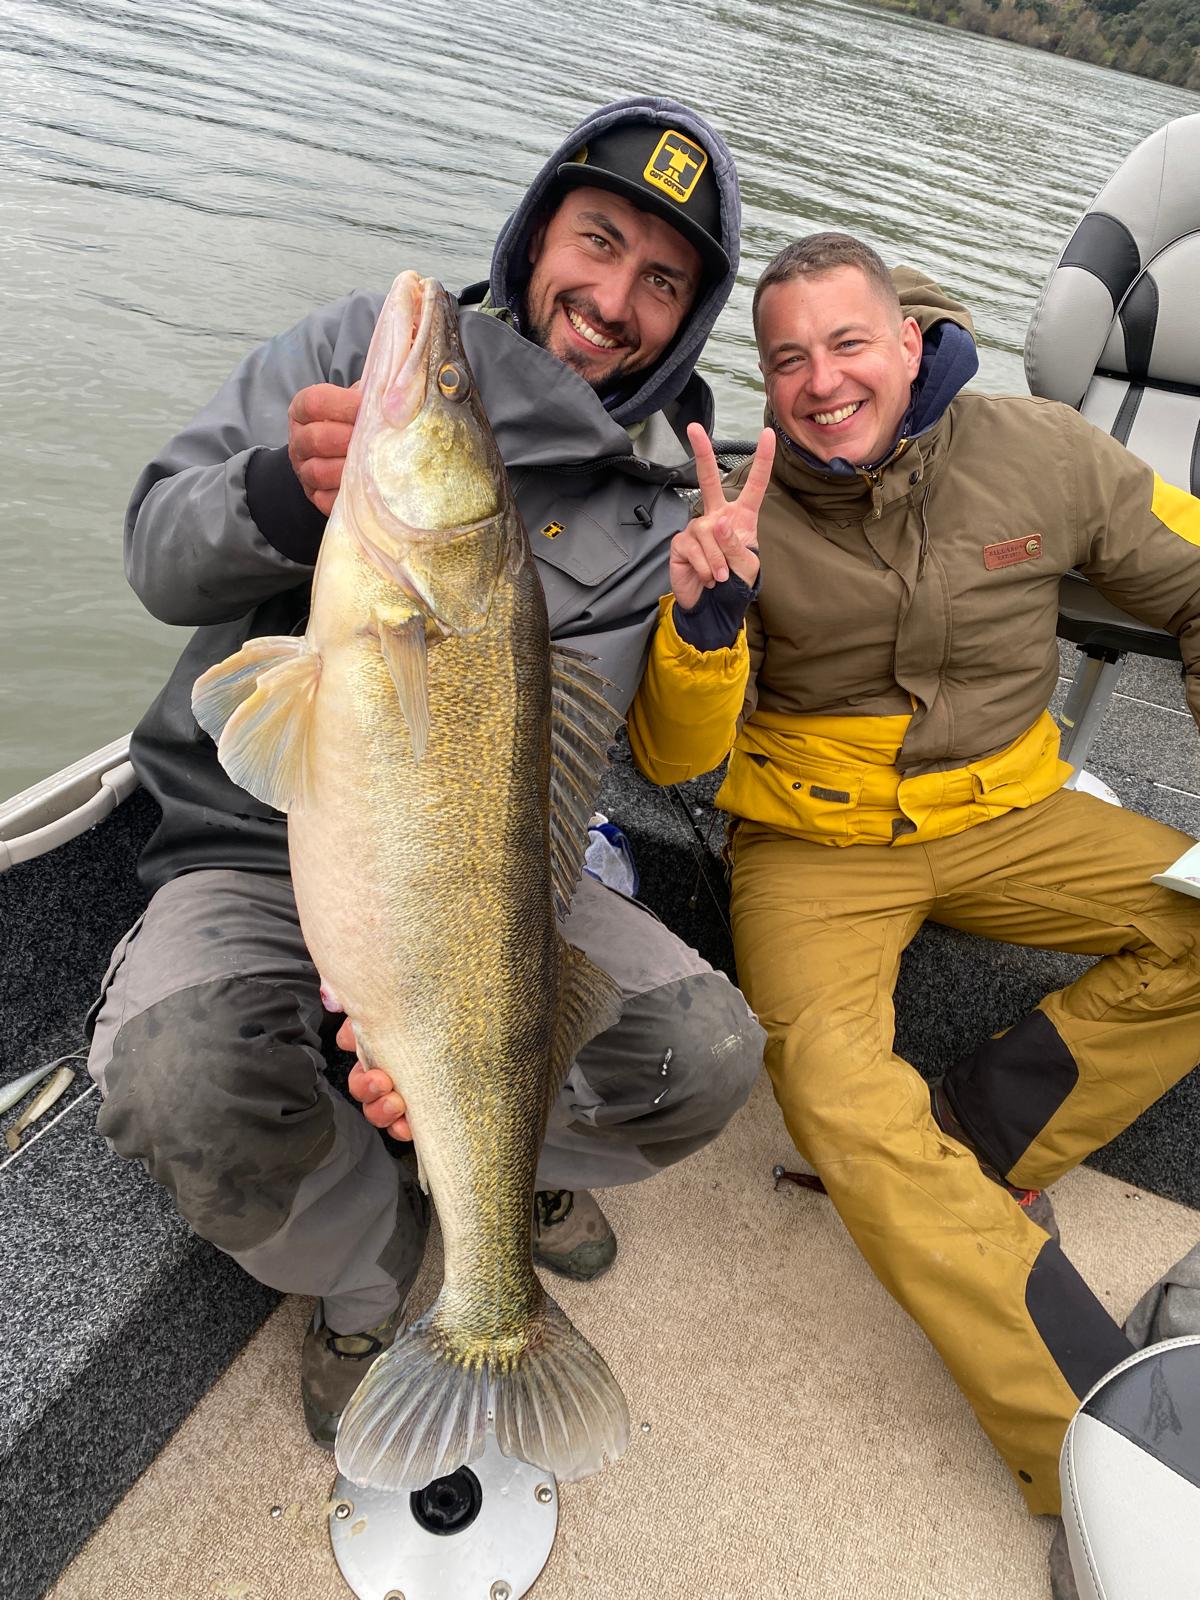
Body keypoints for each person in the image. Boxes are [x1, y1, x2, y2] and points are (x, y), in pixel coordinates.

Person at [86, 96, 764, 1451]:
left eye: (662, 281)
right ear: (534, 235)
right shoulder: (350, 350)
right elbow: (157, 554)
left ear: (686, 323)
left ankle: (485, 1171)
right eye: (597, 237)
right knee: (170, 1077)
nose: (613, 295)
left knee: (705, 1052)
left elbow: (549, 786)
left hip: (479, 881)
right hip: (244, 842)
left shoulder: (649, 521)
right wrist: (279, 494)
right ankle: (364, 1270)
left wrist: (424, 1019)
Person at [627, 231, 1200, 1552]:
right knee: (828, 1086)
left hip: (1010, 810)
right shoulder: (738, 505)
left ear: (908, 338)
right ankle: (1089, 1444)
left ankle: (981, 1134)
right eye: (787, 359)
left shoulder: (1046, 450)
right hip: (814, 848)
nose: (822, 382)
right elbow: (673, 757)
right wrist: (705, 628)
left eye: (845, 344)